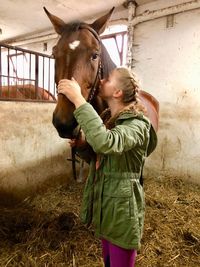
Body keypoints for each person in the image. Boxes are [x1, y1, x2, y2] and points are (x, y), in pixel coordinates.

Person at [57, 67, 157, 267]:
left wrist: (79, 100)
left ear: (118, 92)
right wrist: (84, 147)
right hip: (106, 209)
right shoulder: (109, 121)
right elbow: (101, 159)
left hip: (123, 213)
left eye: (108, 79)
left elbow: (105, 142)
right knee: (108, 262)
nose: (102, 81)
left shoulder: (138, 125)